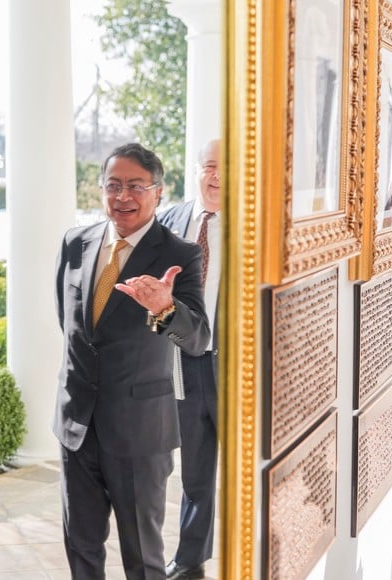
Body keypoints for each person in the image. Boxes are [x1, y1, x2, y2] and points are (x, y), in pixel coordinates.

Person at [53, 143, 210, 578]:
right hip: (76, 425)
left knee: (143, 557)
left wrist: (164, 308)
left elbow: (197, 338)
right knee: (80, 548)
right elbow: (69, 325)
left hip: (140, 432)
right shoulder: (75, 242)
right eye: (113, 185)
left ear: (158, 192)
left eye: (136, 186)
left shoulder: (180, 254)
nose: (123, 196)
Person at [158, 139, 222, 580]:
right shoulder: (170, 220)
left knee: (249, 469)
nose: (218, 176)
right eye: (211, 165)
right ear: (197, 169)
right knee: (196, 470)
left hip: (238, 368)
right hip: (182, 363)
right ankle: (190, 561)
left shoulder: (258, 223)